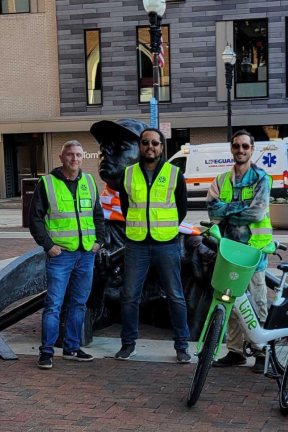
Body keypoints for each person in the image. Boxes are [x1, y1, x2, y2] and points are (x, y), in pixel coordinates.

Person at [28, 140, 106, 369]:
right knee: (53, 304)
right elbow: (35, 219)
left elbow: (98, 216)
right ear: (62, 158)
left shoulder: (90, 181)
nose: (74, 159)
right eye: (70, 155)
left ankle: (72, 347)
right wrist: (48, 245)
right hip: (60, 255)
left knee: (79, 304)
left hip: (86, 254)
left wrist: (99, 242)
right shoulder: (48, 183)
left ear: (83, 158)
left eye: (78, 155)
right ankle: (46, 352)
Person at [116, 128, 191, 363]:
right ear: (140, 146)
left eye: (155, 143)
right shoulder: (127, 174)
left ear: (161, 147)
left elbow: (181, 209)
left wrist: (164, 229)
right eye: (145, 142)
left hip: (166, 244)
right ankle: (128, 344)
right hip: (136, 245)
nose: (150, 146)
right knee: (129, 296)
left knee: (175, 296)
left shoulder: (174, 173)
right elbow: (125, 208)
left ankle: (181, 346)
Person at [207, 130, 273, 373]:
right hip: (229, 252)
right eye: (236, 146)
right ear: (231, 149)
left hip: (253, 253)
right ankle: (235, 352)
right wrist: (242, 207)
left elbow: (257, 213)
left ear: (252, 149)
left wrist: (227, 210)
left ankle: (261, 351)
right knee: (231, 302)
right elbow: (212, 212)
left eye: (245, 146)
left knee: (256, 303)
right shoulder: (222, 180)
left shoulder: (261, 178)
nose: (241, 150)